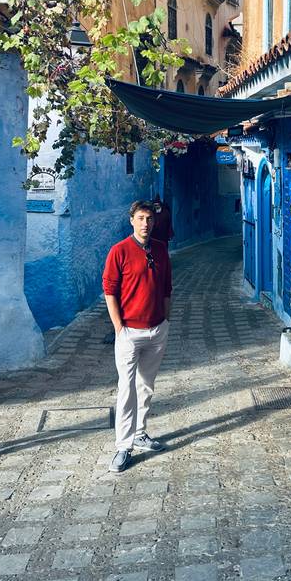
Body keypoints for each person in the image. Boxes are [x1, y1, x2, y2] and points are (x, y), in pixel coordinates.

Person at [102, 200, 172, 473]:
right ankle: (123, 446)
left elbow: (167, 287)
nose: (146, 223)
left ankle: (140, 432)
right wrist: (119, 327)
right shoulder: (119, 251)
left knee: (147, 386)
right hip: (129, 331)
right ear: (132, 220)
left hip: (157, 329)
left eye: (150, 219)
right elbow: (110, 290)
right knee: (127, 389)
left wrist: (166, 320)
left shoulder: (161, 249)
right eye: (141, 218)